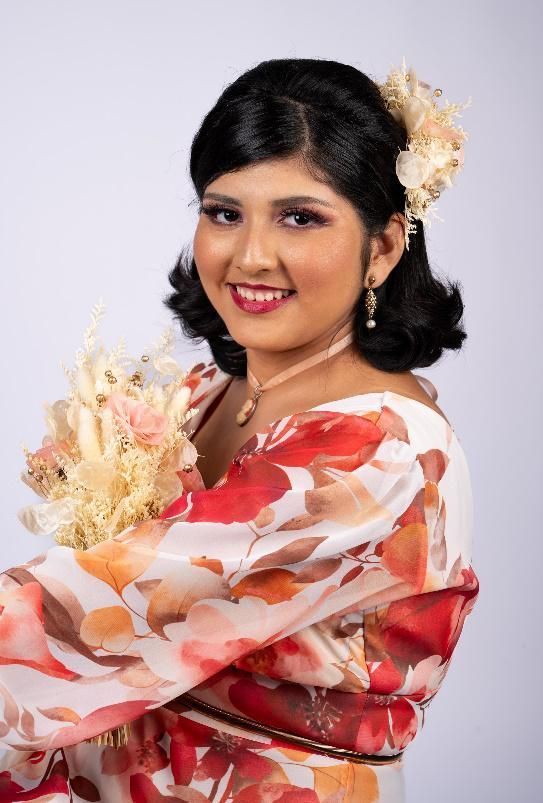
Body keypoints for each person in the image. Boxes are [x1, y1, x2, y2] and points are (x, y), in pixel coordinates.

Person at [0, 58, 479, 802]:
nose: (250, 255)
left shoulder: (372, 456)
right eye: (224, 212)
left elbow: (73, 616)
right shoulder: (202, 395)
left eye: (300, 217)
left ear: (382, 246)